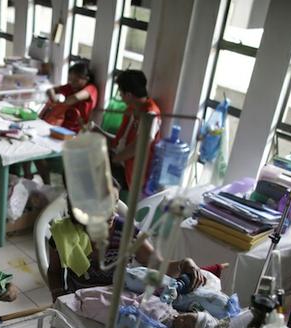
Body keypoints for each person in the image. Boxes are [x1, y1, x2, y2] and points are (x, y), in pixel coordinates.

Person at [47, 185, 204, 301]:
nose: (113, 212)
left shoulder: (126, 233)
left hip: (118, 299)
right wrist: (59, 295)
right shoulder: (63, 235)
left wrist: (184, 263)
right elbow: (54, 272)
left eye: (115, 202)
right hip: (79, 300)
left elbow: (157, 264)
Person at [25, 61, 99, 183]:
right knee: (30, 140)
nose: (72, 83)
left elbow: (74, 98)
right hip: (59, 127)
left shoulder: (91, 89)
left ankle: (45, 182)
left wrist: (59, 104)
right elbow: (51, 90)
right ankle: (30, 177)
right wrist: (54, 98)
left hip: (75, 133)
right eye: (70, 80)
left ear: (86, 78)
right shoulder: (71, 87)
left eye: (75, 80)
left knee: (35, 147)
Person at [93, 69, 161, 192]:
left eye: (121, 92)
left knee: (88, 176)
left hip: (130, 173)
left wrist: (115, 159)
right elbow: (120, 143)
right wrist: (98, 131)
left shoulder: (150, 114)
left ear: (128, 94)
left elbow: (141, 145)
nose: (120, 96)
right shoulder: (132, 110)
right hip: (119, 161)